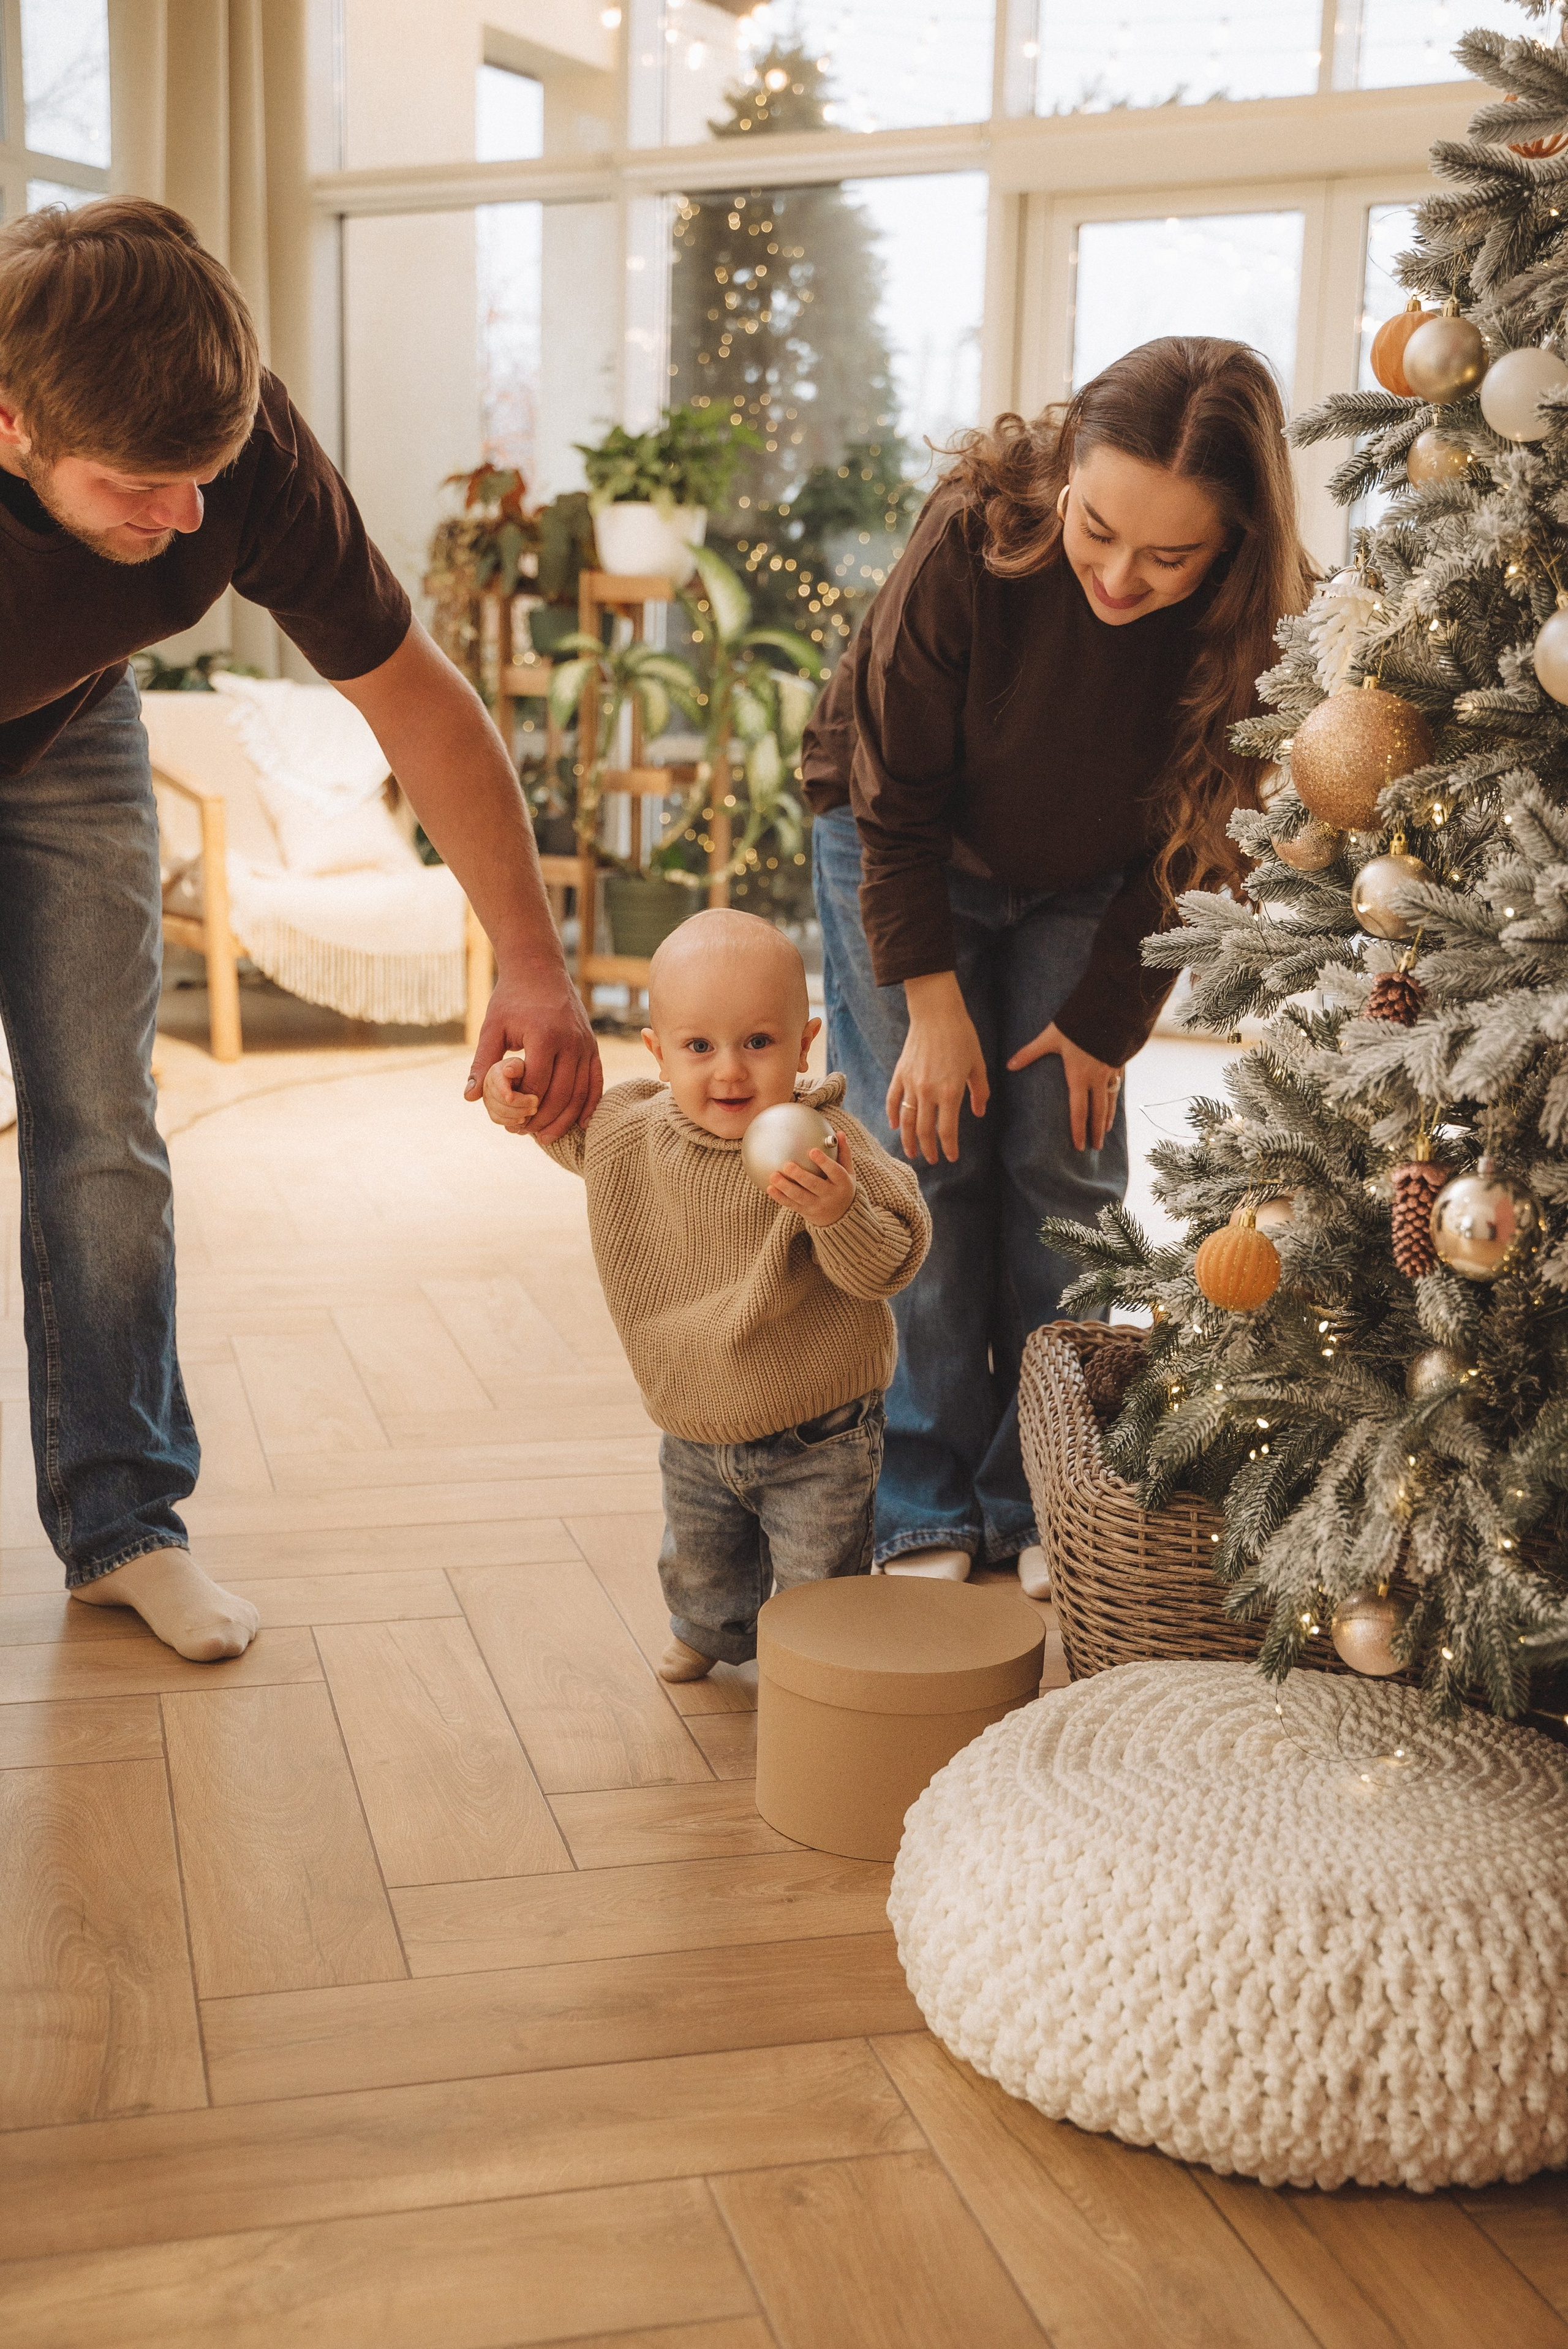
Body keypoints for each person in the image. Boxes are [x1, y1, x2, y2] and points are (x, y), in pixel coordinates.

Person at [0, 198, 599, 1661]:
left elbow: (416, 703)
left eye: (204, 479)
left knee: (100, 1126)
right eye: (141, 487)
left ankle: (124, 1524)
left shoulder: (239, 446)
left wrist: (533, 962)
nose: (186, 521)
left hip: (68, 736)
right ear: (9, 423)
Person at [804, 336, 1316, 1587]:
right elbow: (894, 798)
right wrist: (926, 1000)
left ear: (1234, 547)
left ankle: (1043, 1496)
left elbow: (1203, 839)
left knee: (1061, 1164)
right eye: (1097, 530)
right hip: (903, 841)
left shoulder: (1261, 629)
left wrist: (1105, 1018)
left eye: (1169, 556)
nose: (1120, 576)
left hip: (1098, 883)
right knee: (923, 1159)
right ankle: (921, 1499)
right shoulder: (973, 535)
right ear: (1064, 479)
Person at [483, 908, 929, 1679]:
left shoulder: (826, 1147)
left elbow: (890, 1264)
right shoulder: (632, 1131)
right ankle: (708, 1628)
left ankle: (817, 1657)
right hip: (693, 1412)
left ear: (802, 1044)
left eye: (757, 1043)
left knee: (818, 1572)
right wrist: (514, 1097)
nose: (728, 1071)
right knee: (700, 1550)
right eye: (699, 1047)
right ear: (657, 1053)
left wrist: (837, 1212)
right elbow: (563, 1129)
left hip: (818, 1428)